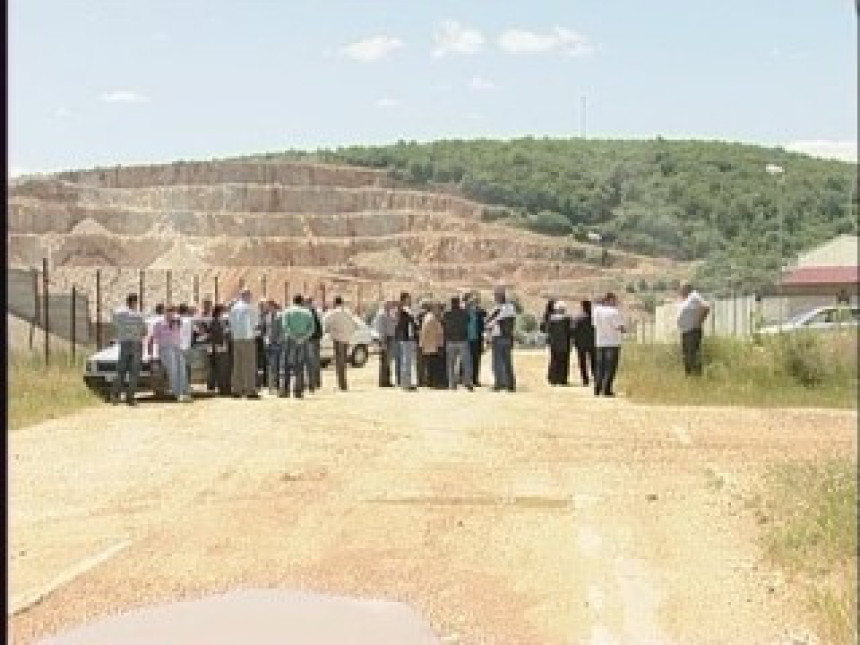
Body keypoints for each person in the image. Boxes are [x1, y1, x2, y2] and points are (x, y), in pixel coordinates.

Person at [110, 293, 147, 406]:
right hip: (136, 344)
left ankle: (115, 396)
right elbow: (144, 331)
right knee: (134, 372)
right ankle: (130, 398)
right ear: (135, 302)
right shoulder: (139, 316)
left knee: (121, 371)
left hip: (124, 343)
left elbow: (114, 324)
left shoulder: (118, 313)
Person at [150, 305, 190, 402]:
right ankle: (178, 393)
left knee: (182, 368)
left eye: (173, 311)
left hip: (177, 347)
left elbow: (182, 334)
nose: (171, 313)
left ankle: (184, 391)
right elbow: (152, 338)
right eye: (169, 311)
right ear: (165, 312)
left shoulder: (177, 322)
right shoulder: (159, 324)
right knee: (173, 370)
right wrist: (151, 353)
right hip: (165, 348)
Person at [279, 294, 314, 398]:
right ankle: (298, 391)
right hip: (303, 341)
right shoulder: (307, 313)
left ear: (293, 301)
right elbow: (312, 328)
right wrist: (302, 338)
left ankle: (284, 391)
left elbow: (285, 326)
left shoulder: (287, 311)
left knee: (286, 366)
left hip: (290, 340)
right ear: (302, 301)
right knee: (299, 366)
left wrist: (293, 336)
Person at [229, 289, 260, 399]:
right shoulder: (250, 307)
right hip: (248, 337)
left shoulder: (234, 308)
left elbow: (231, 323)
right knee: (249, 365)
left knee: (237, 365)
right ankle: (250, 390)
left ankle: (236, 389)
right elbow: (255, 323)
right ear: (247, 296)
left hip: (236, 338)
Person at [592, 292, 625, 397]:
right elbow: (620, 326)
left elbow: (594, 324)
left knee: (600, 367)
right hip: (612, 342)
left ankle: (597, 389)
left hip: (600, 342)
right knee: (610, 367)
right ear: (609, 300)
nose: (616, 302)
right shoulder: (614, 312)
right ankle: (606, 390)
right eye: (614, 300)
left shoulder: (596, 311)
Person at [485, 287, 517, 392]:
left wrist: (489, 322)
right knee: (507, 362)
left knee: (497, 363)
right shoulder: (510, 307)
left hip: (499, 338)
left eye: (496, 296)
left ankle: (499, 384)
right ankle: (510, 385)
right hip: (507, 338)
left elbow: (491, 322)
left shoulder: (499, 309)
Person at [323, 296, 357, 391]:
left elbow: (325, 323)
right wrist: (348, 333)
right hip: (346, 339)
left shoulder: (333, 313)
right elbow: (355, 325)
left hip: (338, 339)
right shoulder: (348, 312)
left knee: (339, 363)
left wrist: (330, 331)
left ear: (335, 303)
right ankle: (343, 384)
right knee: (343, 362)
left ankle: (342, 386)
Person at [677, 283, 711, 376]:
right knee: (686, 355)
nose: (679, 290)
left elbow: (706, 307)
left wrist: (700, 321)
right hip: (686, 331)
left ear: (687, 288)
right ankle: (688, 376)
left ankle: (696, 376)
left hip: (692, 331)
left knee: (693, 354)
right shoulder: (687, 299)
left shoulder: (694, 296)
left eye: (681, 288)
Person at [442, 295, 473, 391]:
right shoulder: (464, 313)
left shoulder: (447, 314)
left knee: (451, 363)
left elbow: (443, 324)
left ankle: (452, 384)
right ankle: (467, 382)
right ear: (458, 302)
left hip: (450, 341)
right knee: (466, 363)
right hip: (462, 340)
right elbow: (468, 320)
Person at [395, 291, 419, 391]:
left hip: (406, 337)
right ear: (404, 299)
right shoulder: (403, 310)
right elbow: (408, 323)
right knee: (406, 361)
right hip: (406, 338)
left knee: (407, 361)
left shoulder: (403, 309)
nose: (410, 300)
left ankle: (407, 382)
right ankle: (406, 384)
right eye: (408, 298)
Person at [419, 302, 446, 388]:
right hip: (433, 345)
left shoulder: (428, 317)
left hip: (430, 345)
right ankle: (434, 383)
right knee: (434, 365)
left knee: (430, 365)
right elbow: (439, 332)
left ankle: (431, 382)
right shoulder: (432, 318)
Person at [546, 301, 573, 386]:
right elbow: (570, 332)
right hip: (564, 343)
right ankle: (562, 379)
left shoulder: (551, 319)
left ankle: (553, 379)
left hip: (554, 343)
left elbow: (548, 330)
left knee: (554, 360)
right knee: (563, 362)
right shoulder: (567, 319)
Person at [208, 304, 231, 395]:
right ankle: (222, 388)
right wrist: (226, 333)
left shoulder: (217, 321)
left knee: (220, 368)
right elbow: (218, 335)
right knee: (221, 368)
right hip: (219, 348)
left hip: (219, 347)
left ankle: (221, 387)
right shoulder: (215, 322)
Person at [571, 300, 596, 387]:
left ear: (582, 307)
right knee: (594, 361)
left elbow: (573, 331)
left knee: (582, 361)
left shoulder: (577, 318)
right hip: (592, 342)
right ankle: (595, 377)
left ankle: (585, 379)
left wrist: (574, 341)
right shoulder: (593, 318)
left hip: (580, 343)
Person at [373, 301, 397, 387]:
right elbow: (381, 329)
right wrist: (383, 342)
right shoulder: (382, 315)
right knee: (384, 361)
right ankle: (383, 381)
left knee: (388, 361)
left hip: (390, 338)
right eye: (389, 304)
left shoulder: (389, 314)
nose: (391, 306)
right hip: (385, 339)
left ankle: (387, 380)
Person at [262, 299, 282, 394]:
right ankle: (271, 386)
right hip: (269, 344)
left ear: (273, 306)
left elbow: (282, 330)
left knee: (277, 365)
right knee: (270, 365)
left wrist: (279, 340)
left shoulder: (280, 316)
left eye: (268, 306)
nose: (267, 308)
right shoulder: (267, 317)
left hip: (277, 344)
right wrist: (265, 339)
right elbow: (265, 330)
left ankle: (277, 385)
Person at [465, 293, 486, 387]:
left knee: (476, 360)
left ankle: (475, 379)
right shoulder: (464, 313)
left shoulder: (479, 313)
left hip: (477, 340)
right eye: (471, 302)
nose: (473, 304)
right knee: (466, 361)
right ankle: (466, 379)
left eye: (475, 302)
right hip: (466, 340)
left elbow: (484, 319)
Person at [304, 297, 323, 393]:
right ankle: (317, 382)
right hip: (315, 339)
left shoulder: (309, 313)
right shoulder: (316, 312)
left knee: (311, 362)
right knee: (315, 361)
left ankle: (312, 383)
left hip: (311, 339)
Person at [178, 303, 195, 397]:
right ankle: (187, 385)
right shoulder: (189, 320)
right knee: (187, 367)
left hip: (178, 346)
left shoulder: (177, 320)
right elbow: (193, 333)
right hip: (187, 346)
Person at [255, 298, 269, 388]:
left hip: (267, 341)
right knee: (258, 361)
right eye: (261, 305)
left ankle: (266, 381)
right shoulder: (256, 316)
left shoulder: (269, 315)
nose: (262, 307)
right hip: (258, 340)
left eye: (263, 305)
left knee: (266, 362)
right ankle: (258, 382)